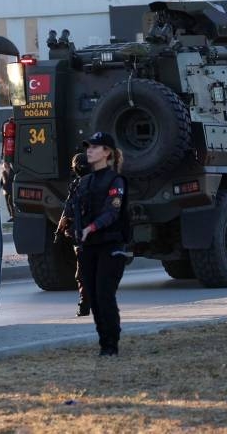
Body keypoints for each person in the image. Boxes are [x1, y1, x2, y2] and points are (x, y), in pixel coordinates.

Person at [73, 131, 130, 356]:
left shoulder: (116, 181)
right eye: (88, 147)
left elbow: (112, 212)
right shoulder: (84, 182)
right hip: (89, 247)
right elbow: (77, 211)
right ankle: (103, 341)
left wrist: (91, 228)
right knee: (93, 297)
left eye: (95, 147)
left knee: (105, 294)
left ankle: (111, 345)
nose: (89, 150)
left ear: (107, 153)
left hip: (111, 245)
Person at [56, 151, 93, 317]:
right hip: (101, 236)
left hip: (83, 237)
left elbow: (67, 213)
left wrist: (60, 231)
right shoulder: (101, 183)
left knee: (82, 274)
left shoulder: (77, 186)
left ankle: (84, 306)